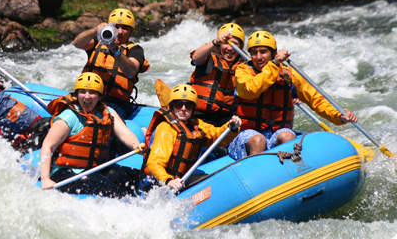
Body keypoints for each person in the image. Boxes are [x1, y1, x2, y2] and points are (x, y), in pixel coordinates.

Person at [229, 31, 358, 160]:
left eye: (263, 51)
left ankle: (289, 174)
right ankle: (255, 174)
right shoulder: (242, 71)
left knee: (287, 136)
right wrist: (273, 64)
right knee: (258, 140)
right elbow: (253, 89)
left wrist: (339, 115)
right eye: (254, 52)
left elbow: (315, 99)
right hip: (248, 135)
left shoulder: (289, 74)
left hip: (276, 133)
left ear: (273, 53)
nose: (258, 57)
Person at [40, 72, 144, 198]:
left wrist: (136, 145)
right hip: (67, 172)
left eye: (92, 92)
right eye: (82, 92)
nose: (87, 96)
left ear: (100, 97)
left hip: (96, 168)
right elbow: (48, 146)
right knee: (115, 192)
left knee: (138, 178)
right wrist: (45, 178)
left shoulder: (108, 113)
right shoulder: (69, 117)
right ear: (77, 95)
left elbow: (125, 133)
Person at [143, 84, 241, 191]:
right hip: (160, 181)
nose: (183, 109)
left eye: (188, 106)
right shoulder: (166, 128)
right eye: (178, 105)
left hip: (181, 178)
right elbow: (154, 162)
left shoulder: (196, 125)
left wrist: (231, 127)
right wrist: (168, 180)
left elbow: (216, 135)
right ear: (172, 107)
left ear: (193, 109)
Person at [72, 8, 150, 119]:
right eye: (116, 27)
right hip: (88, 96)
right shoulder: (98, 41)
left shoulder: (135, 50)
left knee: (102, 121)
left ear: (131, 31)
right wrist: (96, 30)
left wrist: (115, 51)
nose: (120, 32)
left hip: (116, 103)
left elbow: (131, 72)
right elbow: (77, 43)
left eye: (125, 28)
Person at [189, 23, 246, 126]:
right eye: (226, 43)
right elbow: (196, 58)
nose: (230, 48)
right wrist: (216, 41)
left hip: (225, 119)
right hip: (199, 117)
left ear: (241, 47)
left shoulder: (244, 67)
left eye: (234, 44)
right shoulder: (208, 59)